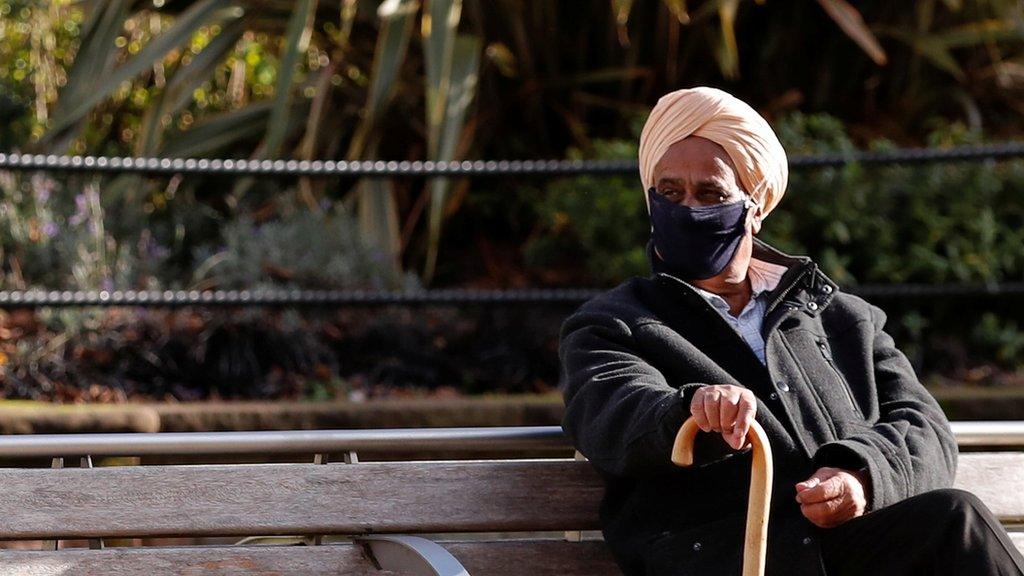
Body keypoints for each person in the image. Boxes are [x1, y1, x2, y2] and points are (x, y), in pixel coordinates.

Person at [558, 86, 1024, 575]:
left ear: (755, 206)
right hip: (721, 559)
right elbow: (611, 408)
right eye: (670, 192)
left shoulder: (841, 317)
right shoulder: (612, 323)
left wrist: (862, 476)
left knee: (954, 520)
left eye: (712, 193)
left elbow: (925, 427)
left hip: (843, 551)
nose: (689, 208)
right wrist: (690, 409)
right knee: (956, 521)